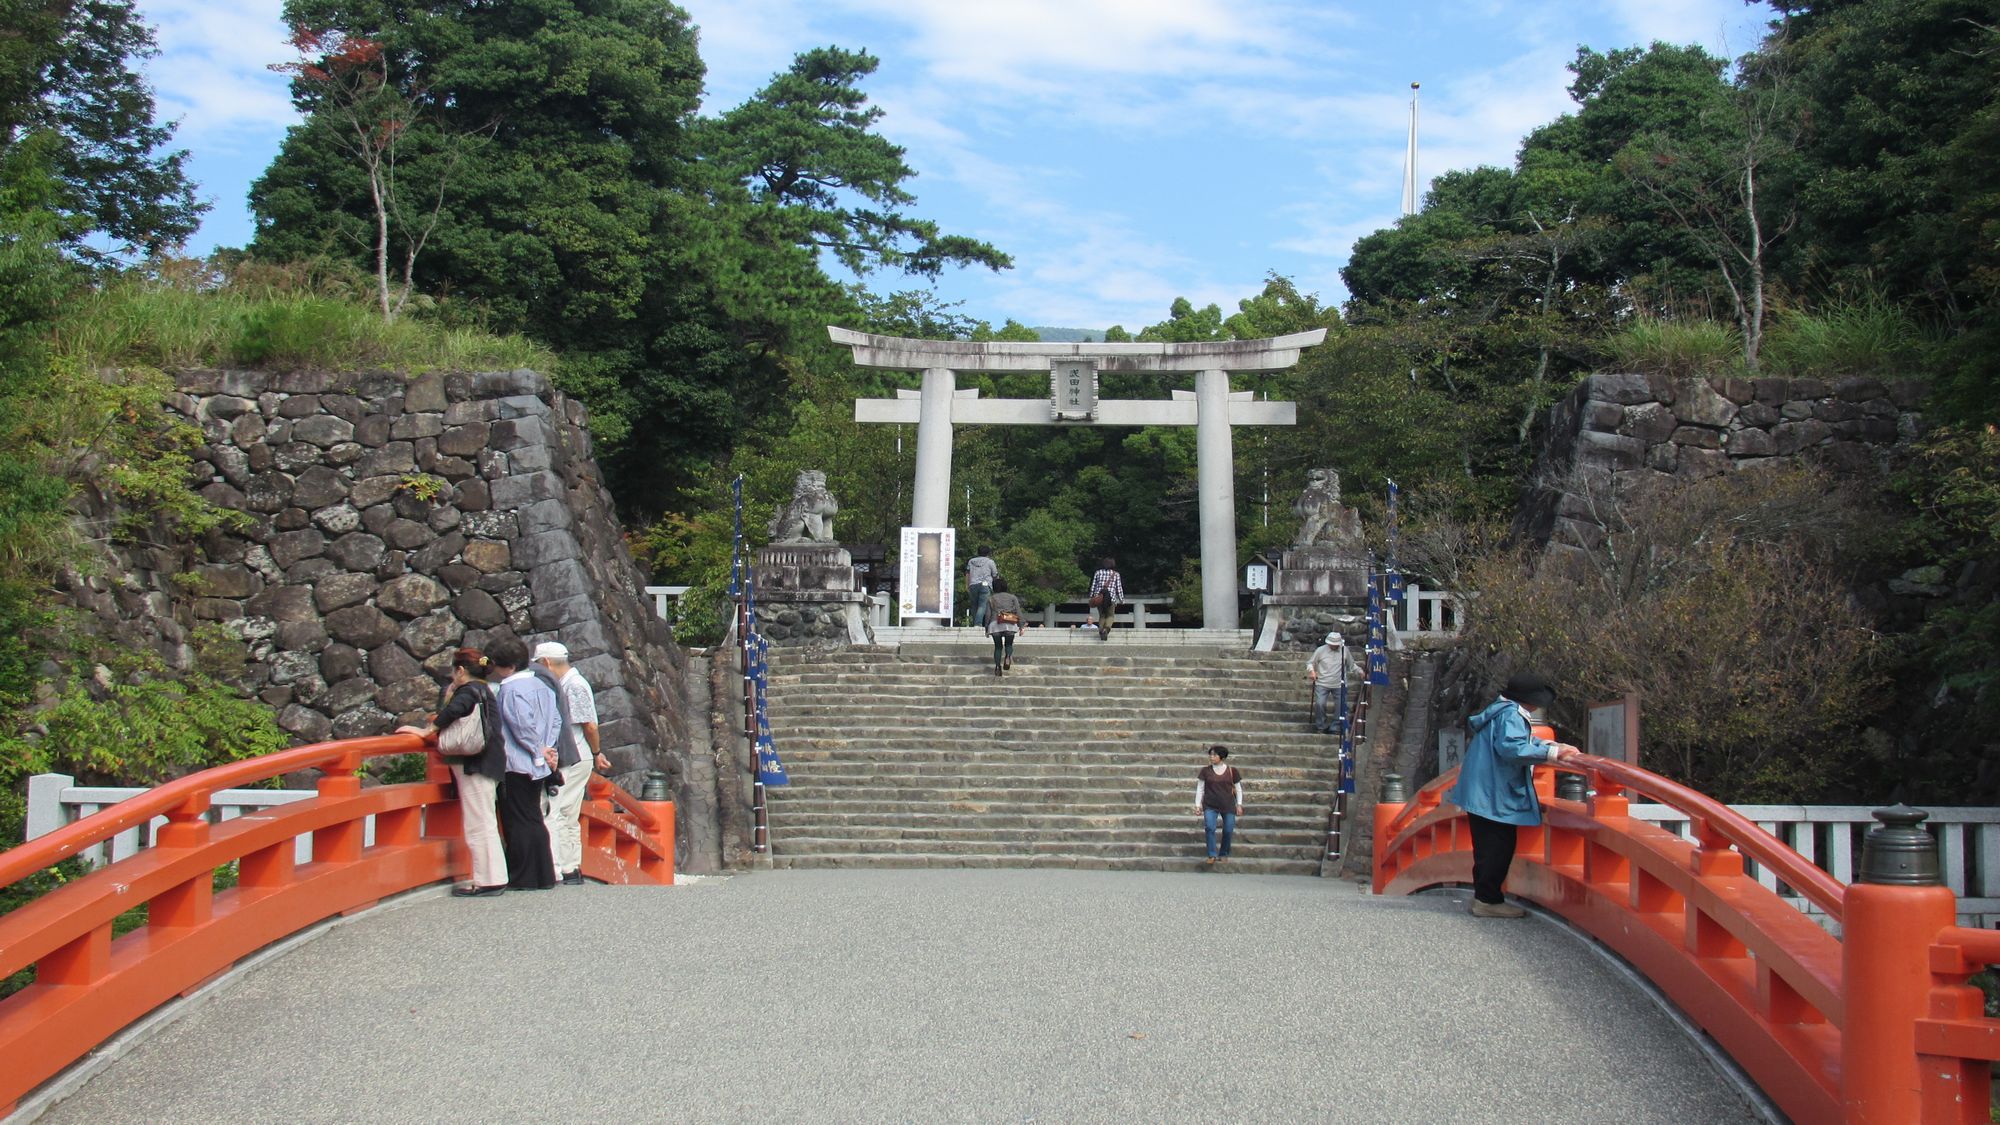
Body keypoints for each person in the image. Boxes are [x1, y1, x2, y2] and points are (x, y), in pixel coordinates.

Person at [1446, 672, 1581, 918]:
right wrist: (1551, 755)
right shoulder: (1511, 715)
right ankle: (1487, 900)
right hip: (1492, 793)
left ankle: (1486, 897)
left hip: (1483, 790)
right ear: (1529, 699)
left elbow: (1518, 742)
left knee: (1489, 847)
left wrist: (1550, 747)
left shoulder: (1501, 710)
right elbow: (1512, 748)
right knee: (1498, 847)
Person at [399, 648, 508, 897]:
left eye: (453, 671)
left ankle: (486, 881)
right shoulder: (484, 690)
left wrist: (428, 730)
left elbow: (456, 709)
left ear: (460, 671)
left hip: (475, 763)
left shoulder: (468, 690)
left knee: (478, 822)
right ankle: (494, 878)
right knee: (485, 820)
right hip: (488, 760)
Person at [487, 637, 561, 891]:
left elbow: (521, 725)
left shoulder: (510, 690)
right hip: (541, 761)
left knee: (518, 819)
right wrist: (548, 748)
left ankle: (523, 875)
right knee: (533, 816)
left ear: (499, 663)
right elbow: (556, 721)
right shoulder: (542, 686)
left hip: (518, 761)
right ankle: (543, 874)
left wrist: (537, 749)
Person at [535, 641, 609, 886]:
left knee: (554, 811)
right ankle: (570, 867)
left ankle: (556, 866)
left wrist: (597, 751)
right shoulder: (568, 683)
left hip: (573, 755)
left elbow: (589, 724)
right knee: (567, 812)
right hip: (578, 754)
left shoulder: (573, 685)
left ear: (545, 662)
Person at [1193, 745, 1244, 864]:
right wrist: (1197, 805)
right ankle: (1212, 854)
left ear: (1221, 757)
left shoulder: (1232, 771)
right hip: (1210, 804)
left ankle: (1223, 853)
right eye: (1210, 754)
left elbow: (1238, 788)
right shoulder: (1205, 771)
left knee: (1228, 829)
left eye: (1214, 755)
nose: (1211, 757)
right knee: (1210, 828)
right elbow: (1200, 788)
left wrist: (1239, 804)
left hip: (1228, 804)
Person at [1306, 632, 1356, 733]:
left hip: (1339, 683)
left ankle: (1335, 726)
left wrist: (1360, 672)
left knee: (1340, 705)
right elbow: (1310, 662)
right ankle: (1321, 725)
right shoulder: (1320, 650)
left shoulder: (1344, 650)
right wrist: (1312, 672)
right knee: (1320, 703)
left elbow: (1352, 665)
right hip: (1322, 682)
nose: (1333, 646)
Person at [986, 577, 1024, 675]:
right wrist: (1021, 626)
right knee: (1009, 644)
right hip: (1009, 623)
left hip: (995, 624)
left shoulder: (991, 598)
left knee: (998, 647)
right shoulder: (1012, 597)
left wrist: (986, 628)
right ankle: (1007, 656)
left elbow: (988, 615)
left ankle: (998, 667)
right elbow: (1018, 612)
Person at [1087, 557, 1124, 640]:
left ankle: (1101, 630)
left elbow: (1093, 585)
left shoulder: (1098, 573)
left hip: (1099, 598)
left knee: (1102, 615)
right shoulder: (1116, 574)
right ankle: (1106, 629)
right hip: (1111, 598)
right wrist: (1121, 599)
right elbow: (1119, 588)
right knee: (1110, 615)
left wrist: (1091, 596)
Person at [967, 548, 998, 629]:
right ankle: (978, 623)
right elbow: (995, 575)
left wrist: (967, 585)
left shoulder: (971, 561)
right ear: (988, 553)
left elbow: (967, 573)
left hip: (973, 584)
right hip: (985, 584)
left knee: (974, 605)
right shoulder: (990, 562)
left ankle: (975, 623)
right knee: (982, 605)